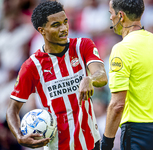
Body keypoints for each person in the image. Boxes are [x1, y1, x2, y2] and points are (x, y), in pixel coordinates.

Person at [6, 1, 108, 150]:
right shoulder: (32, 65)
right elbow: (12, 109)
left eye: (65, 22)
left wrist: (90, 79)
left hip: (90, 143)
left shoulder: (83, 46)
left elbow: (101, 75)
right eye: (56, 25)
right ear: (42, 30)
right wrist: (19, 137)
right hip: (57, 146)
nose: (64, 28)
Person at [101, 0, 153, 150]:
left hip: (138, 133)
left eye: (111, 13)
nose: (111, 18)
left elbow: (117, 104)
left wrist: (106, 143)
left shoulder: (122, 49)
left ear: (121, 16)